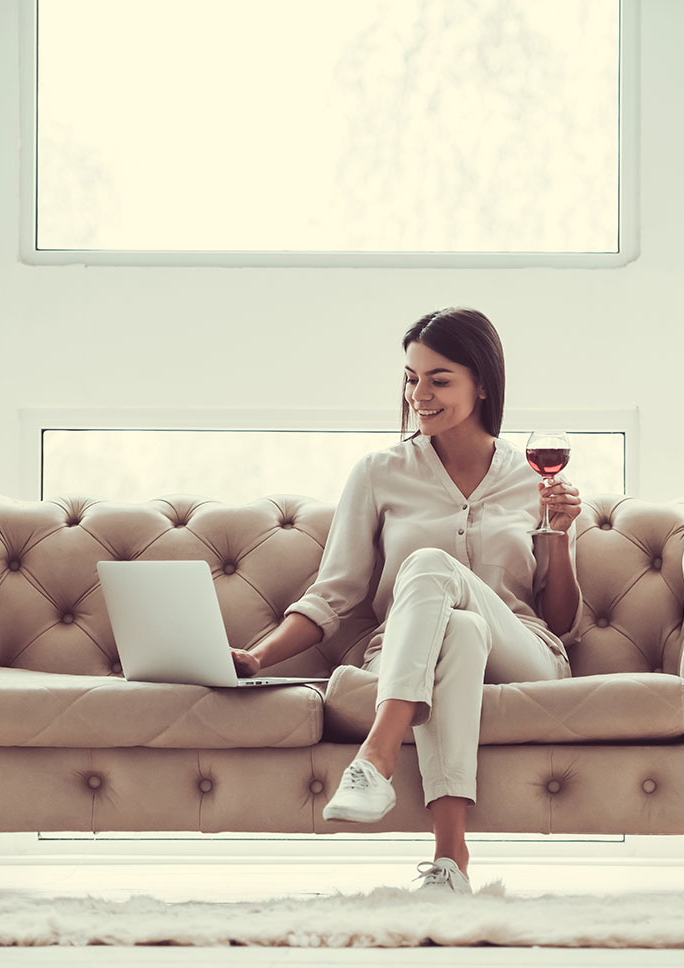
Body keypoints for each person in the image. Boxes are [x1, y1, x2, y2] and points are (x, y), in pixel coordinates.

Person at [228, 307, 583, 895]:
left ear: (483, 384)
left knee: (430, 565)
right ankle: (450, 862)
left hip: (525, 655)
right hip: (406, 654)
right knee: (461, 634)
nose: (420, 393)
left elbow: (562, 620)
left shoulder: (534, 482)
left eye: (439, 379)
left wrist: (562, 533)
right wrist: (259, 659)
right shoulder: (378, 473)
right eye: (412, 378)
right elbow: (332, 594)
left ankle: (376, 758)